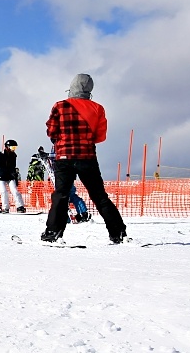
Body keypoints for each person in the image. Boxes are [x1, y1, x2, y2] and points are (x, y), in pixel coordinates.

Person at [41, 73, 128, 244]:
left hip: (64, 157)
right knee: (99, 196)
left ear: (71, 87)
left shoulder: (59, 106)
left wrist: (60, 138)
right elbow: (100, 137)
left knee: (61, 195)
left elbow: (51, 131)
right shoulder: (98, 108)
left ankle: (53, 232)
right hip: (87, 157)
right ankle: (118, 232)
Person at [0, 139, 27, 213]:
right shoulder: (1, 155)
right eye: (13, 148)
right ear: (7, 147)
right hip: (1, 176)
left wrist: (14, 175)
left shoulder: (14, 155)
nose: (14, 150)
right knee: (4, 192)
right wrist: (9, 171)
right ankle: (5, 208)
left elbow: (13, 166)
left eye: (15, 148)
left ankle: (20, 206)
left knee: (15, 191)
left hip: (10, 176)